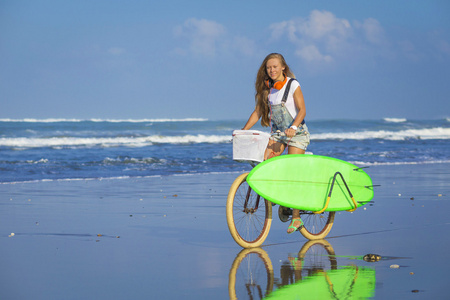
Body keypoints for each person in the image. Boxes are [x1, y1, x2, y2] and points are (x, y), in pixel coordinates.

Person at [242, 53, 311, 234]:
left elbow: (302, 110)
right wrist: (243, 131)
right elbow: (257, 113)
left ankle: (296, 218)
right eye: (268, 67)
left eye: (274, 67)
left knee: (293, 172)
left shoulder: (292, 84)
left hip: (297, 134)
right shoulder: (269, 90)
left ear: (283, 67)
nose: (271, 70)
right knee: (263, 162)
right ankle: (276, 195)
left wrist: (294, 127)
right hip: (279, 135)